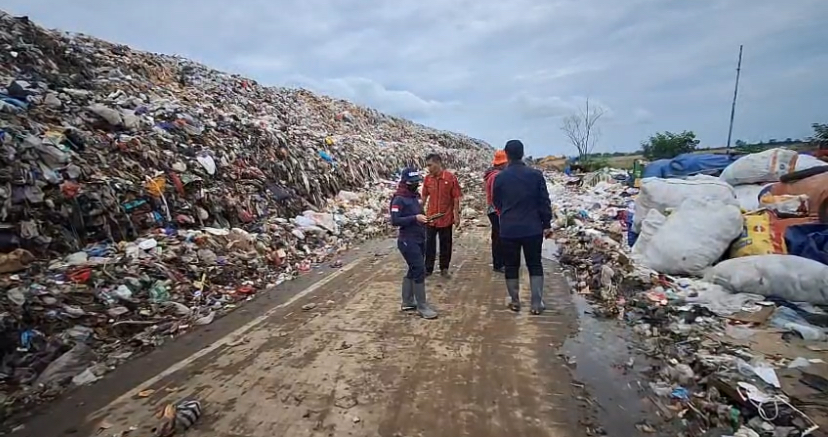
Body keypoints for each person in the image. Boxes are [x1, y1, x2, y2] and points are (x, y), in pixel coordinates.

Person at [492, 140, 553, 315]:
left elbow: (496, 201)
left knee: (511, 265)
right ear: (522, 153)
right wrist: (546, 223)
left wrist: (506, 213)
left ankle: (515, 301)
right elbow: (544, 202)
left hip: (509, 229)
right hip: (532, 229)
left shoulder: (500, 177)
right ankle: (536, 303)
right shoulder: (535, 175)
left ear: (507, 154)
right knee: (535, 264)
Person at [389, 167, 438, 319]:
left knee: (413, 268)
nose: (415, 185)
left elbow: (419, 213)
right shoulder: (399, 199)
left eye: (417, 182)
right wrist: (414, 218)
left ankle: (408, 301)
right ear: (405, 182)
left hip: (419, 238)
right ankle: (422, 306)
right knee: (419, 270)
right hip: (407, 241)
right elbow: (395, 221)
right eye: (412, 183)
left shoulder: (414, 197)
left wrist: (426, 218)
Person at [422, 153, 462, 278]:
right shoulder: (428, 179)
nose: (429, 168)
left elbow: (456, 198)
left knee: (446, 244)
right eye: (427, 166)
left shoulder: (450, 178)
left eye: (430, 165)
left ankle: (444, 268)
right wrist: (419, 211)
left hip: (446, 217)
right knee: (429, 244)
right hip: (431, 218)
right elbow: (424, 196)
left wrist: (456, 215)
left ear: (438, 163)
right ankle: (428, 269)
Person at [484, 150, 508, 273]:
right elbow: (496, 195)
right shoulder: (496, 176)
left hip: (492, 210)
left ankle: (498, 263)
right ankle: (499, 264)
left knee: (497, 236)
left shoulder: (492, 174)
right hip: (496, 210)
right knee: (500, 237)